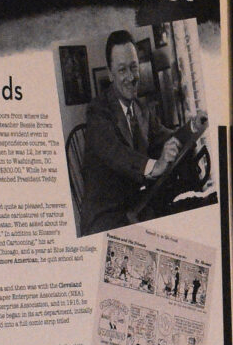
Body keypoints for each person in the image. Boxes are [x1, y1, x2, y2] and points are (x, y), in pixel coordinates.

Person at [79, 29, 205, 234]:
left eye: (134, 67)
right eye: (122, 70)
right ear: (110, 74)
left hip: (136, 206)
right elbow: (117, 154)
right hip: (106, 218)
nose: (131, 77)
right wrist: (155, 166)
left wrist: (192, 127)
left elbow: (166, 136)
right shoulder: (97, 111)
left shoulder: (141, 108)